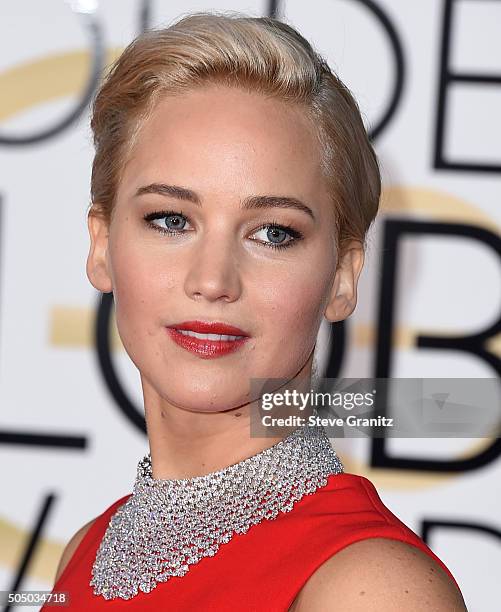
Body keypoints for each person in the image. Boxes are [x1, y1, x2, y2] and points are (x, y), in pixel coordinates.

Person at [44, 11, 467, 611]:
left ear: (343, 275)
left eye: (272, 233)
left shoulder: (368, 588)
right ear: (101, 245)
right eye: (170, 219)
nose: (213, 280)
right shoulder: (87, 551)